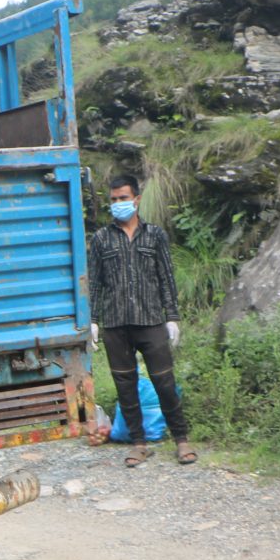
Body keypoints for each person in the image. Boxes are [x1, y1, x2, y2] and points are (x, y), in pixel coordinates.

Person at [87, 174, 196, 468]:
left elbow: (166, 278)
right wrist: (92, 320)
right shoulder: (101, 239)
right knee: (126, 386)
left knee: (164, 382)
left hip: (151, 321)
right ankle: (139, 444)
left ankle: (182, 439)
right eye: (113, 199)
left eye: (123, 198)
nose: (118, 203)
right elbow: (94, 283)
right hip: (115, 324)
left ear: (136, 199)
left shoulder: (155, 235)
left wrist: (172, 317)